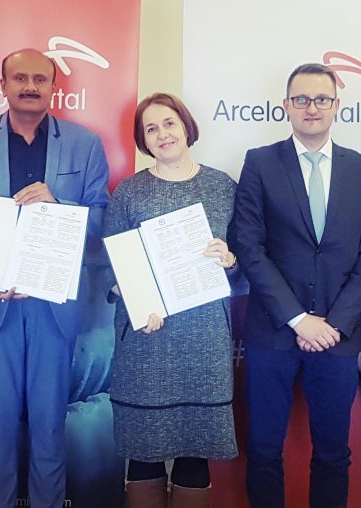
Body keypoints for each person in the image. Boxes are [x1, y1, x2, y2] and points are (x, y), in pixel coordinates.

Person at [0, 48, 110, 508]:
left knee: (49, 428)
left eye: (40, 78)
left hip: (53, 304)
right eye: (20, 78)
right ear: (3, 85)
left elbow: (101, 221)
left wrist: (59, 205)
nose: (30, 86)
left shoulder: (85, 143)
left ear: (54, 87)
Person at [233, 62, 361, 507]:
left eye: (321, 99)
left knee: (334, 453)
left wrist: (334, 324)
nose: (312, 107)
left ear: (337, 105)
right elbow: (249, 245)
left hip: (338, 336)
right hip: (272, 332)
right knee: (264, 450)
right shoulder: (260, 162)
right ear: (286, 105)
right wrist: (299, 319)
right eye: (301, 99)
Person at [105, 93, 238, 507]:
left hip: (204, 343)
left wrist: (231, 260)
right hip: (147, 341)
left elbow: (249, 261)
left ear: (186, 126)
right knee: (143, 454)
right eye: (151, 128)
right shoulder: (129, 192)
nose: (162, 134)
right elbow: (112, 266)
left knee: (195, 455)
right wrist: (137, 299)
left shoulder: (222, 187)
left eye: (169, 123)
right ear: (143, 140)